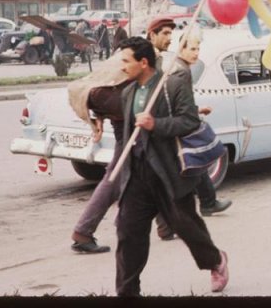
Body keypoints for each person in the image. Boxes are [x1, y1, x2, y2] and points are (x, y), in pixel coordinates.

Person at [114, 36, 228, 296]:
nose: (122, 66)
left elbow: (189, 121)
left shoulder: (173, 85)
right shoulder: (128, 92)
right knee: (128, 232)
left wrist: (157, 124)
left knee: (186, 226)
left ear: (143, 63)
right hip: (138, 174)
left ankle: (216, 260)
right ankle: (127, 292)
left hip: (169, 172)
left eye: (126, 61)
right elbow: (126, 136)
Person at [67, 52, 131, 254]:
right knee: (115, 177)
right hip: (130, 125)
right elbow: (112, 88)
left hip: (129, 122)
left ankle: (166, 225)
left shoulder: (132, 54)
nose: (166, 37)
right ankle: (83, 231)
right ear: (153, 34)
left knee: (150, 173)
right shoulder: (141, 56)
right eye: (163, 33)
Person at [170, 31, 232, 217]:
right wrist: (195, 116)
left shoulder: (180, 67)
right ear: (181, 49)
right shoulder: (182, 72)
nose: (196, 53)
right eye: (192, 49)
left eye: (198, 49)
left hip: (179, 121)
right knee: (193, 162)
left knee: (197, 163)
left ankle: (208, 202)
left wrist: (197, 109)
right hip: (180, 125)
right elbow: (181, 105)